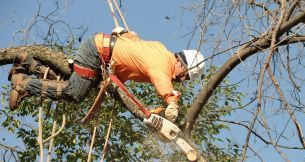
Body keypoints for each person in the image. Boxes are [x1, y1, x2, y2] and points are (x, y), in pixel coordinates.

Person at [8, 28, 205, 122]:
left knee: (72, 81)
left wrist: (126, 34)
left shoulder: (160, 50)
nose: (180, 80)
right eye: (184, 76)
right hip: (98, 53)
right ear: (181, 62)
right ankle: (24, 85)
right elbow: (161, 80)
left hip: (101, 51)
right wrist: (172, 101)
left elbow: (136, 45)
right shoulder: (162, 63)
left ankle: (26, 63)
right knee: (74, 92)